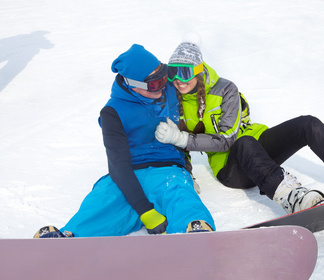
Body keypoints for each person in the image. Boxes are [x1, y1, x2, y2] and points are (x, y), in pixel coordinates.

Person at [155, 41, 324, 215]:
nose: (178, 79)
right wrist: (184, 171)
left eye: (185, 72)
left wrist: (183, 138)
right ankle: (294, 198)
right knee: (243, 144)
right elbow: (198, 146)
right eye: (173, 72)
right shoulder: (172, 102)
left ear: (199, 71)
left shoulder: (225, 89)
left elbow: (226, 136)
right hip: (231, 169)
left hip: (256, 144)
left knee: (307, 123)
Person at [34, 44, 215, 238]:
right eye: (154, 84)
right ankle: (67, 239)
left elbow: (203, 82)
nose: (162, 86)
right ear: (132, 84)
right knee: (104, 200)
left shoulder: (169, 87)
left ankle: (195, 232)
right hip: (128, 173)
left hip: (167, 168)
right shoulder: (112, 113)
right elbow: (118, 165)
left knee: (179, 194)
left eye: (163, 77)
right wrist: (145, 211)